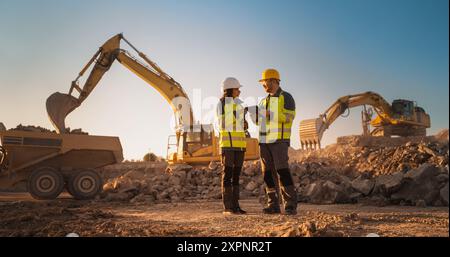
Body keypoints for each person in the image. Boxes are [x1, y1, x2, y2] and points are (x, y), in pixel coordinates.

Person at [252, 68, 298, 215]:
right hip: (264, 142)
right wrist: (256, 117)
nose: (263, 85)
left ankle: (290, 204)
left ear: (273, 81)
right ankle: (273, 204)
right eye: (263, 83)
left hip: (279, 141)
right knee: (267, 175)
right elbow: (260, 123)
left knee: (282, 171)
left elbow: (289, 117)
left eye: (264, 82)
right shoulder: (263, 101)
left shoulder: (286, 97)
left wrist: (270, 114)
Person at [216, 77, 248, 215]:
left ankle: (236, 206)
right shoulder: (222, 103)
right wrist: (239, 119)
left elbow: (243, 125)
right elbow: (223, 123)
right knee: (227, 175)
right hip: (228, 145)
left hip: (239, 146)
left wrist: (244, 122)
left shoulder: (238, 105)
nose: (239, 91)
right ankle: (228, 207)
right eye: (237, 89)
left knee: (236, 176)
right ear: (229, 90)